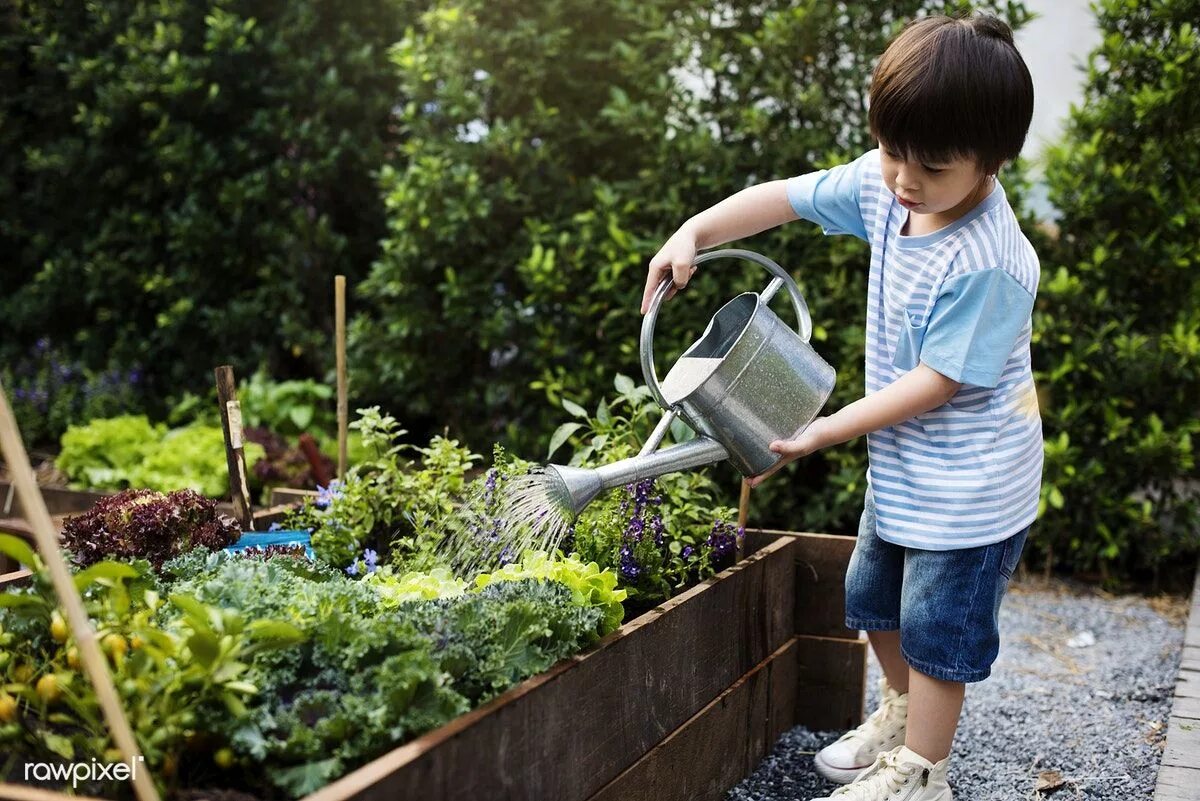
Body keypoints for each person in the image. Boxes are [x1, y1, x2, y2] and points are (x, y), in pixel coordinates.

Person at [640, 13, 1040, 801]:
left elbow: (940, 381)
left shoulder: (991, 260)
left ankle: (924, 773)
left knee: (936, 634)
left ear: (992, 161)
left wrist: (826, 426)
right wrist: (695, 231)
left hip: (971, 490)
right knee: (872, 595)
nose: (902, 179)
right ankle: (901, 715)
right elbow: (784, 199)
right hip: (904, 467)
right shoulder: (888, 186)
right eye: (892, 151)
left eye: (929, 165)